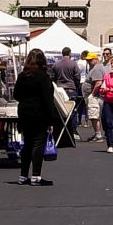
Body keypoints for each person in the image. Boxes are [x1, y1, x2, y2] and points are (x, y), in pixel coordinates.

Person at [12, 50, 60, 187]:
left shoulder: (22, 76)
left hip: (24, 113)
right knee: (38, 144)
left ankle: (23, 175)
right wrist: (51, 119)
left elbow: (16, 95)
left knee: (27, 144)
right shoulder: (43, 77)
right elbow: (48, 100)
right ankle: (36, 175)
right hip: (39, 114)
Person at [49, 45, 84, 149]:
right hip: (70, 89)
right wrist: (76, 85)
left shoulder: (56, 64)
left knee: (60, 111)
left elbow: (52, 77)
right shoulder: (73, 63)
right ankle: (73, 131)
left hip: (59, 89)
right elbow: (77, 76)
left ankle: (60, 131)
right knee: (72, 111)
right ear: (70, 54)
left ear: (62, 54)